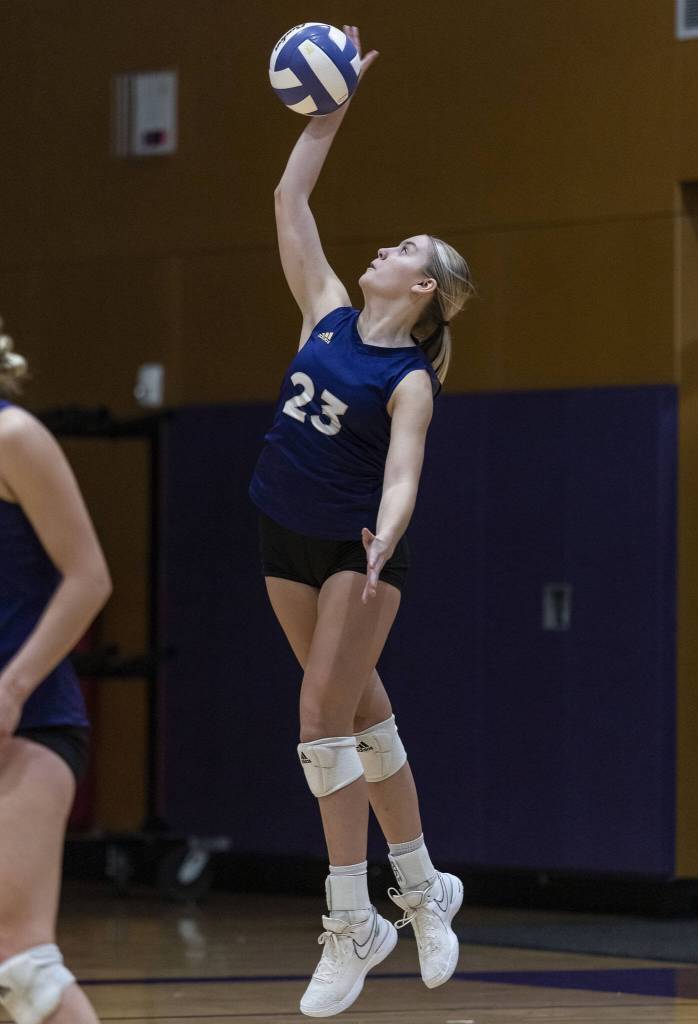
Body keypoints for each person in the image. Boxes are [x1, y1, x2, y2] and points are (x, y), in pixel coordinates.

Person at [249, 27, 476, 1018]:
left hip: (355, 549)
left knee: (318, 722)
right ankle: (423, 887)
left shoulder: (409, 376)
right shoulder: (326, 311)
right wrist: (330, 112)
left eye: (406, 250)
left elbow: (403, 471)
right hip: (280, 529)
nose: (385, 247)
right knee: (360, 717)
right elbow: (288, 200)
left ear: (423, 289)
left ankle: (353, 919)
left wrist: (385, 533)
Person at [0, 321, 111, 1024]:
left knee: (18, 965)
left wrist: (12, 687)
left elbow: (89, 577)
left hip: (29, 722)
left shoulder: (13, 437)